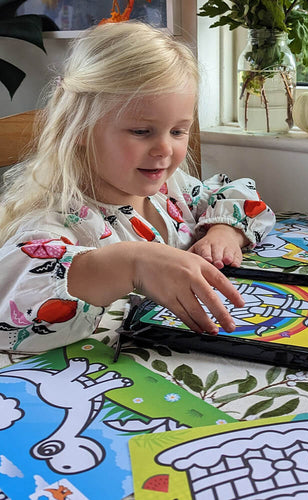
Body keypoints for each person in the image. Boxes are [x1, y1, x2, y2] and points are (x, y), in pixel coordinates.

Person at [0, 21, 275, 353]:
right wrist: (133, 264)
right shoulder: (57, 220)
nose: (165, 149)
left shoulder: (172, 192)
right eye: (142, 131)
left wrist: (224, 231)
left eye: (177, 131)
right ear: (82, 130)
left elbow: (238, 195)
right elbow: (17, 301)